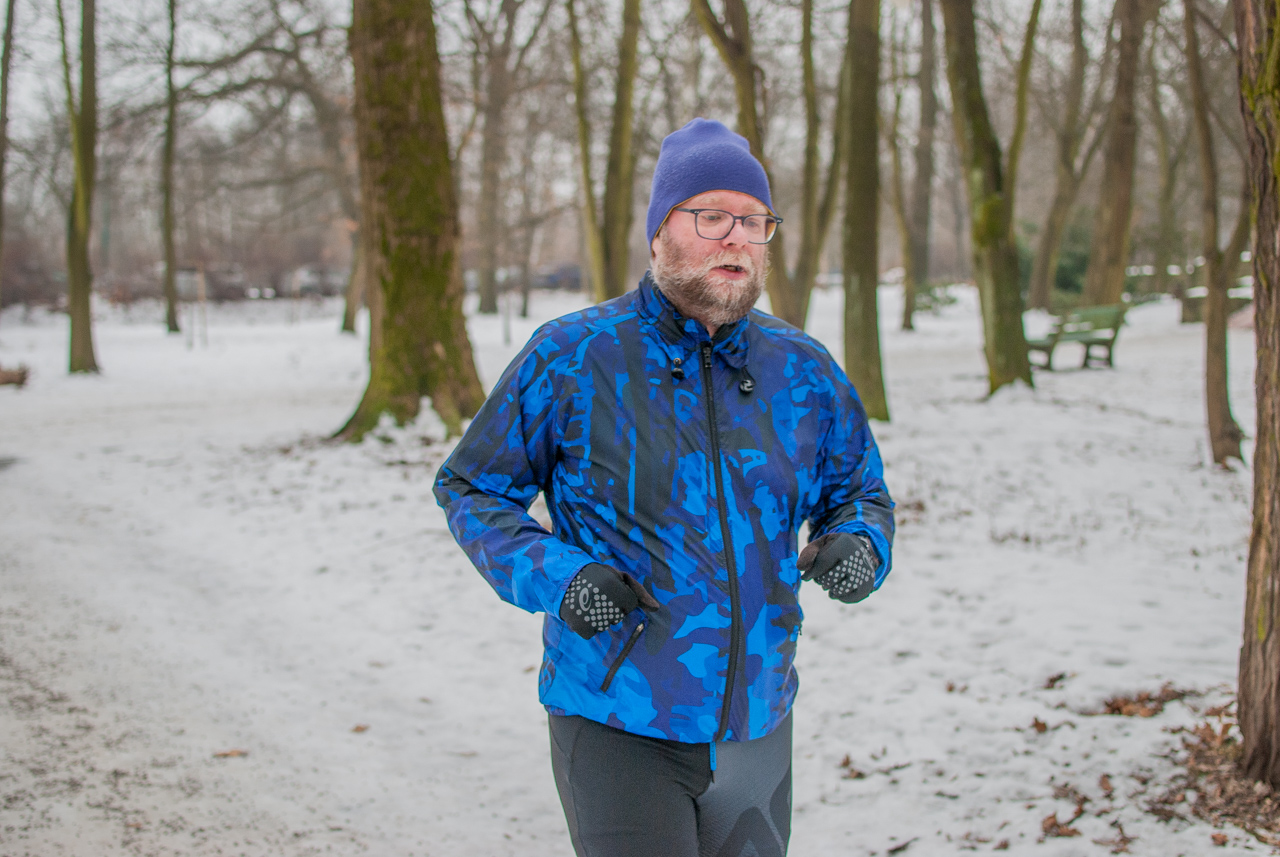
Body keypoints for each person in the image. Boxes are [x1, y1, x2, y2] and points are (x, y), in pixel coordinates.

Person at [434, 117, 894, 857]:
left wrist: (861, 545)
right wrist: (563, 576)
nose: (736, 237)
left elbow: (860, 491)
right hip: (619, 721)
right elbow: (470, 487)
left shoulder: (803, 369)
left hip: (759, 723)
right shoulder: (573, 358)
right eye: (710, 216)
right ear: (658, 235)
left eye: (753, 220)